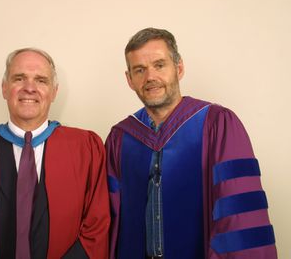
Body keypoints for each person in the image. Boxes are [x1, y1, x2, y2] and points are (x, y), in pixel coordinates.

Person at [106, 28, 277, 259]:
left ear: (179, 68)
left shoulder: (216, 124)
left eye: (159, 65)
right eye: (139, 70)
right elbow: (110, 221)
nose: (150, 77)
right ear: (129, 80)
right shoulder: (120, 138)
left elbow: (239, 216)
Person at [0, 48, 110, 259]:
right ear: (4, 88)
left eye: (41, 80)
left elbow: (96, 228)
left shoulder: (86, 149)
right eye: (19, 78)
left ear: (54, 91)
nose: (29, 88)